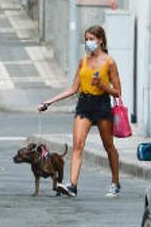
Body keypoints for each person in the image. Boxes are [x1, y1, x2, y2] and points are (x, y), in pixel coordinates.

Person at [39, 25, 123, 198]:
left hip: (101, 104)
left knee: (108, 146)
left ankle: (115, 182)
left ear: (100, 40)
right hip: (84, 103)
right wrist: (49, 101)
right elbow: (73, 88)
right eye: (86, 39)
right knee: (77, 145)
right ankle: (73, 186)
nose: (88, 42)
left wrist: (102, 85)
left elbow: (117, 91)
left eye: (92, 39)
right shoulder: (83, 61)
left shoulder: (109, 62)